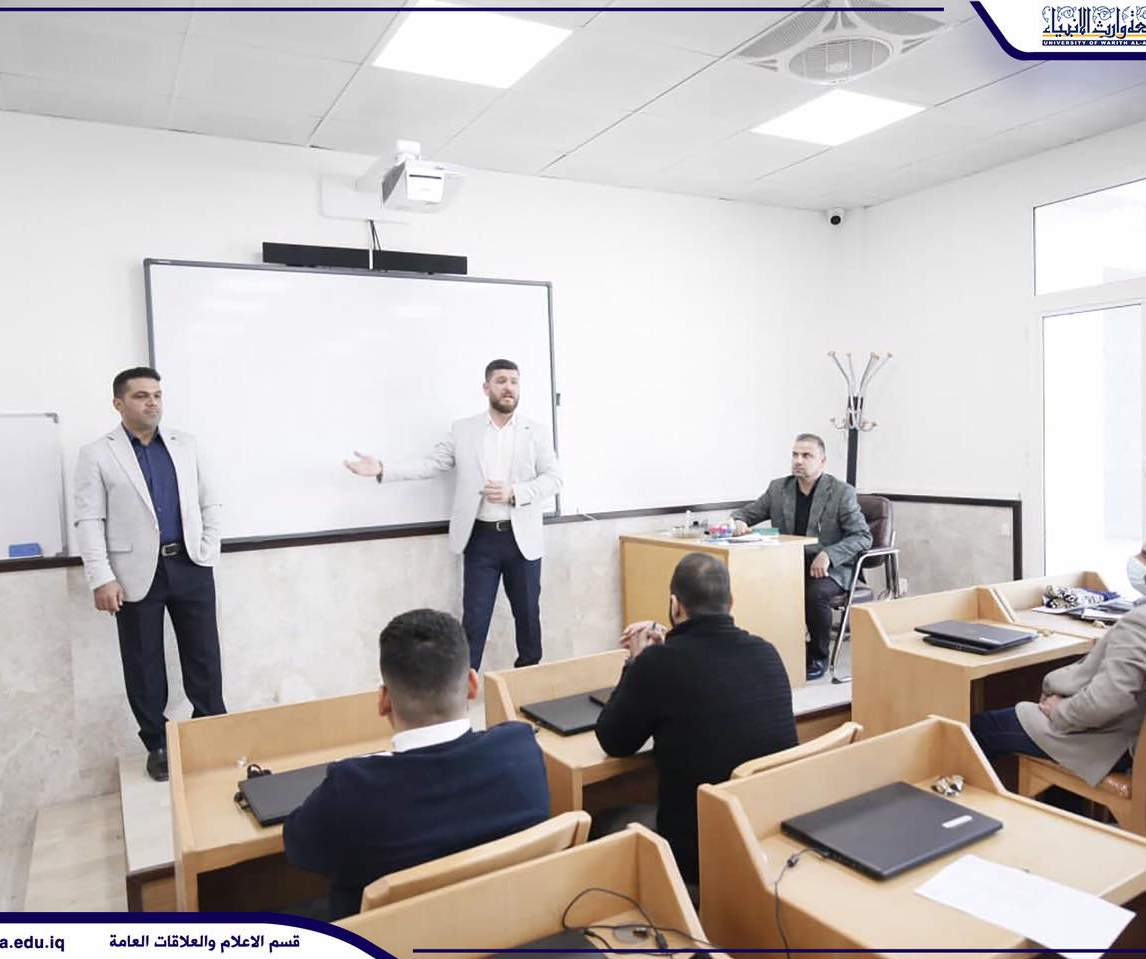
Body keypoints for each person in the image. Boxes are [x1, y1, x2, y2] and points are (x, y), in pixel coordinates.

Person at [282, 608, 549, 919]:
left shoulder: (350, 789)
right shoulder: (522, 750)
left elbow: (299, 848)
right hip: (509, 930)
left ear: (384, 700)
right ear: (472, 685)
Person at [970, 522, 1146, 787]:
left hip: (1106, 743)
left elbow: (1106, 702)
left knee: (976, 729)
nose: (1136, 561)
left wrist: (1060, 711)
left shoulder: (1145, 624)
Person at [344, 359, 562, 670]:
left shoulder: (536, 432)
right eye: (501, 381)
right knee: (474, 621)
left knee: (528, 619)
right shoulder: (464, 430)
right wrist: (383, 469)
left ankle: (528, 684)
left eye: (514, 382)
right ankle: (464, 686)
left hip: (522, 541)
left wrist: (515, 492)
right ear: (486, 388)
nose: (509, 388)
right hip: (481, 539)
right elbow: (431, 464)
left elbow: (554, 479)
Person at [595, 553, 796, 882]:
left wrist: (636, 662)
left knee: (600, 821)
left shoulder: (658, 665)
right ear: (731, 602)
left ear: (675, 606)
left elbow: (614, 740)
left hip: (694, 852)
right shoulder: (767, 652)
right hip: (765, 836)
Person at [74, 367, 226, 782]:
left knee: (204, 656)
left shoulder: (185, 444)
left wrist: (207, 548)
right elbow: (89, 519)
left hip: (190, 564)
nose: (152, 403)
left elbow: (210, 501)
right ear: (118, 403)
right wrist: (101, 577)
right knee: (143, 663)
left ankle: (210, 732)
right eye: (141, 396)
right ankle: (157, 743)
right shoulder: (97, 454)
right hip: (133, 573)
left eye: (157, 395)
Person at [730, 433, 871, 679]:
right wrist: (738, 521)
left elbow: (862, 536)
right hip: (789, 564)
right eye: (795, 455)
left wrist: (829, 554)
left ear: (822, 461)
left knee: (815, 593)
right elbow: (745, 513)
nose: (798, 460)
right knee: (752, 583)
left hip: (831, 568)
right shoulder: (778, 488)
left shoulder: (841, 492)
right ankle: (773, 650)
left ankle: (818, 656)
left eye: (807, 455)